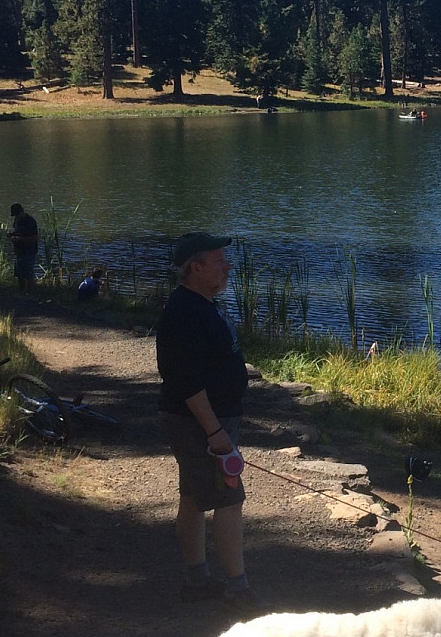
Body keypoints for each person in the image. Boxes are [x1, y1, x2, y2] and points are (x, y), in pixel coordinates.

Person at [155, 232, 262, 615]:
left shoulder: (201, 303)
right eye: (219, 261)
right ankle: (238, 588)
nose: (227, 266)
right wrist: (215, 433)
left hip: (209, 422)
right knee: (230, 500)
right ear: (195, 268)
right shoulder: (184, 312)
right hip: (202, 425)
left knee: (193, 497)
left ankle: (196, 579)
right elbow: (185, 382)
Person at [7, 203, 40, 293]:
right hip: (19, 252)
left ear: (21, 212)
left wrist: (18, 239)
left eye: (17, 215)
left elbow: (35, 238)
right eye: (15, 215)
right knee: (19, 274)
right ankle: (22, 292)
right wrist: (12, 234)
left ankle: (31, 292)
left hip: (28, 251)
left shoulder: (30, 221)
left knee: (28, 274)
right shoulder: (17, 220)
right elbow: (17, 231)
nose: (16, 217)